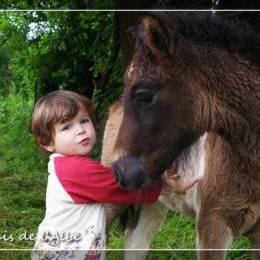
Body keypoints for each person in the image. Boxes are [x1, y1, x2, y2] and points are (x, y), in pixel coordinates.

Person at [31, 90, 200, 260]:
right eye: (67, 127)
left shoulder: (64, 165)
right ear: (47, 143)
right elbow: (123, 187)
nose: (80, 130)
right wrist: (166, 185)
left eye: (84, 121)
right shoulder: (74, 170)